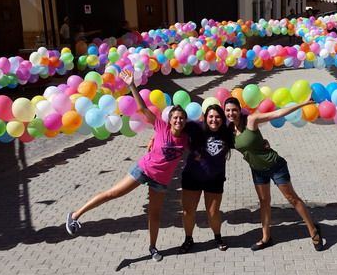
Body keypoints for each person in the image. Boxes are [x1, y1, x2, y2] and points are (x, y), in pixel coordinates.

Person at [65, 69, 189, 262]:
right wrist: (132, 84)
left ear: (185, 121)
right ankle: (75, 215)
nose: (179, 120)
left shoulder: (187, 139)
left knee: (155, 215)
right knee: (113, 193)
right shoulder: (160, 126)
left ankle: (153, 248)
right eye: (176, 117)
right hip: (144, 169)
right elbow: (142, 108)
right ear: (170, 119)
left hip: (161, 181)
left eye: (182, 118)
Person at [223, 97, 324, 251]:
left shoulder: (251, 120)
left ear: (239, 109)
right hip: (257, 171)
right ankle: (266, 237)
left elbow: (277, 114)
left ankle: (313, 230)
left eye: (234, 110)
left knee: (292, 198)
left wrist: (303, 103)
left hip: (275, 166)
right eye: (228, 110)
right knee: (264, 202)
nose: (231, 113)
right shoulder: (229, 131)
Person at [178, 104, 234, 253]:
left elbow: (245, 137)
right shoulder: (194, 128)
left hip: (215, 179)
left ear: (222, 119)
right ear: (205, 117)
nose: (214, 120)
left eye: (217, 117)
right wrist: (154, 138)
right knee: (188, 211)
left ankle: (218, 237)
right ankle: (188, 238)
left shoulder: (227, 133)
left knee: (213, 212)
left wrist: (263, 144)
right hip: (192, 177)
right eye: (211, 116)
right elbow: (173, 127)